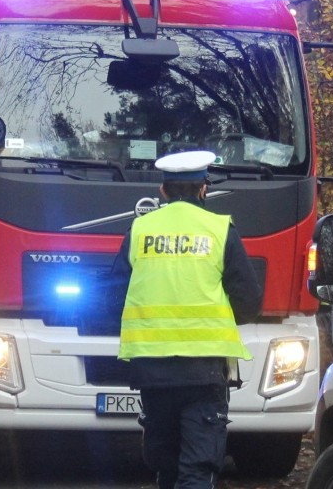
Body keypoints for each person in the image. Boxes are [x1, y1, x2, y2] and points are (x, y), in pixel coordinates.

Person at [110, 150, 263, 489]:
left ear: (163, 192)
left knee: (166, 468)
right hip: (204, 373)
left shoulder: (140, 228)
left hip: (151, 372)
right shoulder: (220, 230)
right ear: (204, 190)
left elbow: (113, 296)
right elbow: (249, 301)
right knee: (197, 469)